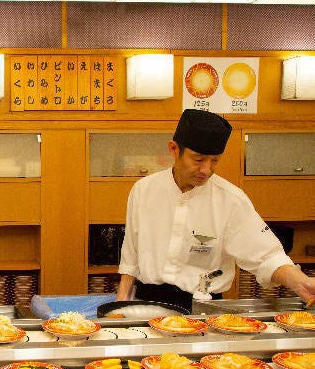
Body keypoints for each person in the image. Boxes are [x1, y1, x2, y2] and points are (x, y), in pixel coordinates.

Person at [116, 108, 315, 312]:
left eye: (215, 160)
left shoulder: (231, 199)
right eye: (199, 159)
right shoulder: (144, 190)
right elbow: (131, 255)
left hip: (202, 308)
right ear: (174, 149)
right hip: (145, 304)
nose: (206, 170)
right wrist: (120, 304)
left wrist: (301, 282)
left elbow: (266, 256)